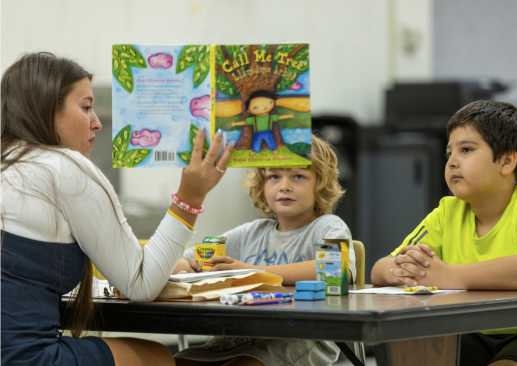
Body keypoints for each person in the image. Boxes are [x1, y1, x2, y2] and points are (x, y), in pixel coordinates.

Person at [1, 52, 234, 366]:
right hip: (25, 359)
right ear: (46, 111)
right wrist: (190, 197)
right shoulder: (65, 167)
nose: (97, 122)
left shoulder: (9, 161)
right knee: (158, 356)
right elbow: (141, 283)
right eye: (85, 107)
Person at [371, 101, 517, 366]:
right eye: (449, 154)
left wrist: (446, 275)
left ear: (506, 161)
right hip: (476, 332)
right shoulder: (447, 213)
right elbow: (380, 269)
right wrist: (403, 271)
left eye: (466, 150)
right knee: (416, 354)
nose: (452, 163)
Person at [173, 134, 356, 366]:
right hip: (232, 341)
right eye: (274, 176)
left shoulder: (328, 226)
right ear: (262, 183)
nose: (285, 186)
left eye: (298, 176)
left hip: (297, 341)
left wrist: (253, 272)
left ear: (320, 183)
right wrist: (192, 269)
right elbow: (180, 260)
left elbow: (339, 272)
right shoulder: (251, 232)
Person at [230, 90, 294, 156]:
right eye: (255, 107)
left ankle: (273, 149)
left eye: (270, 102)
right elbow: (245, 122)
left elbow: (278, 117)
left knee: (270, 140)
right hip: (257, 133)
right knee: (256, 141)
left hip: (268, 132)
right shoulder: (254, 119)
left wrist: (288, 116)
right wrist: (236, 123)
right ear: (248, 110)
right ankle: (255, 150)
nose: (264, 107)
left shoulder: (270, 117)